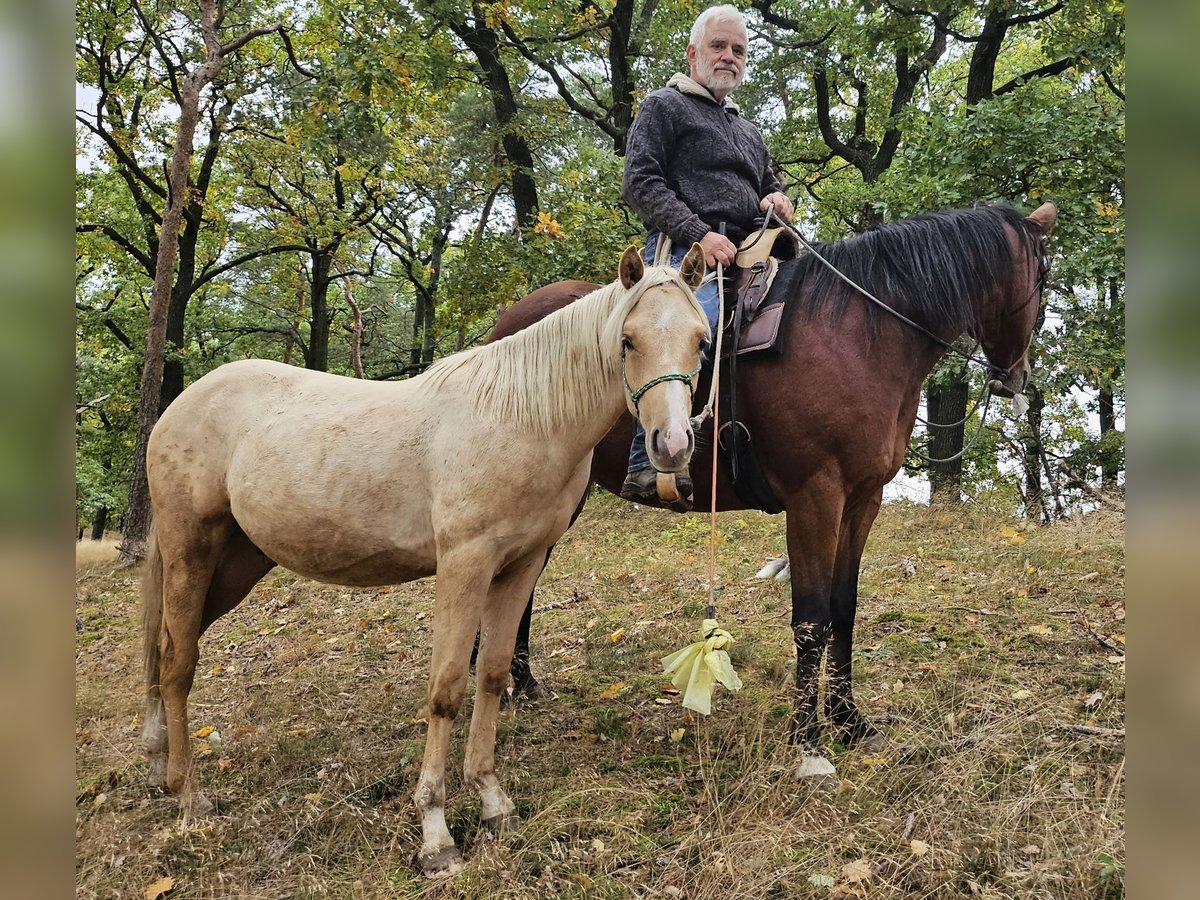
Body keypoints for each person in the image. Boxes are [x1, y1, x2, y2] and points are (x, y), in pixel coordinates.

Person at [619, 3, 794, 502]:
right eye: (719, 46)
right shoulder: (664, 106)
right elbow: (641, 183)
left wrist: (776, 198)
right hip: (684, 256)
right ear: (694, 52)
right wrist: (700, 233)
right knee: (695, 329)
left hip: (749, 252)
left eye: (738, 50)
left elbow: (767, 185)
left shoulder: (748, 130)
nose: (729, 57)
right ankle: (646, 464)